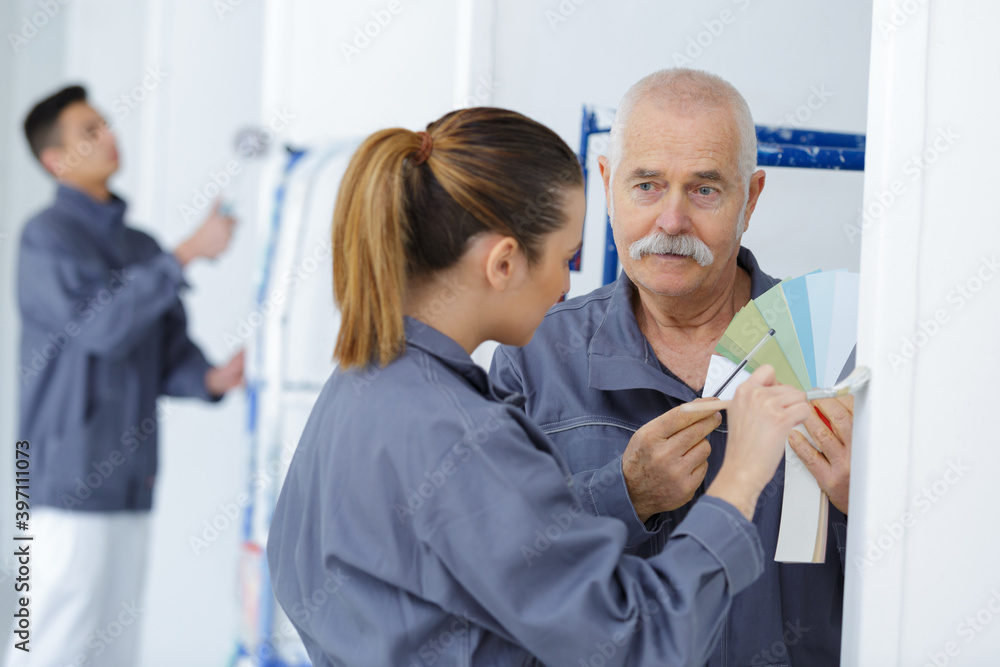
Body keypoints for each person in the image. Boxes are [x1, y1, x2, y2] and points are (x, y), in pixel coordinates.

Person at [266, 106, 815, 666]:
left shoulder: (356, 387)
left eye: (704, 190)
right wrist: (740, 478)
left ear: (750, 198)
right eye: (565, 258)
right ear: (504, 264)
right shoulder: (468, 431)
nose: (567, 284)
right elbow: (641, 639)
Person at [490, 68, 853, 666]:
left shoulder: (842, 358)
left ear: (751, 199)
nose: (672, 221)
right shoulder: (533, 356)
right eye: (647, 185)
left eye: (704, 190)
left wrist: (867, 505)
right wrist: (623, 494)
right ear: (606, 183)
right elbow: (493, 570)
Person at [8, 85, 244, 666]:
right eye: (88, 131)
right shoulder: (46, 238)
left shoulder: (140, 246)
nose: (108, 135)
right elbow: (103, 329)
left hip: (130, 482)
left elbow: (164, 353)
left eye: (106, 123)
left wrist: (214, 378)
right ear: (55, 160)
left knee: (112, 649)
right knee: (47, 645)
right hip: (60, 484)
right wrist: (185, 254)